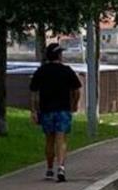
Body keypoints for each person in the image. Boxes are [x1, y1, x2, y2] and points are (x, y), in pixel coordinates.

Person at [29, 42, 82, 182]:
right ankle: (61, 167)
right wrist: (74, 104)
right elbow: (76, 90)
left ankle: (49, 168)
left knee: (49, 140)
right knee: (61, 138)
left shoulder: (41, 71)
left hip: (46, 110)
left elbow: (34, 92)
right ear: (59, 55)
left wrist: (34, 110)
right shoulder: (67, 71)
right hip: (63, 109)